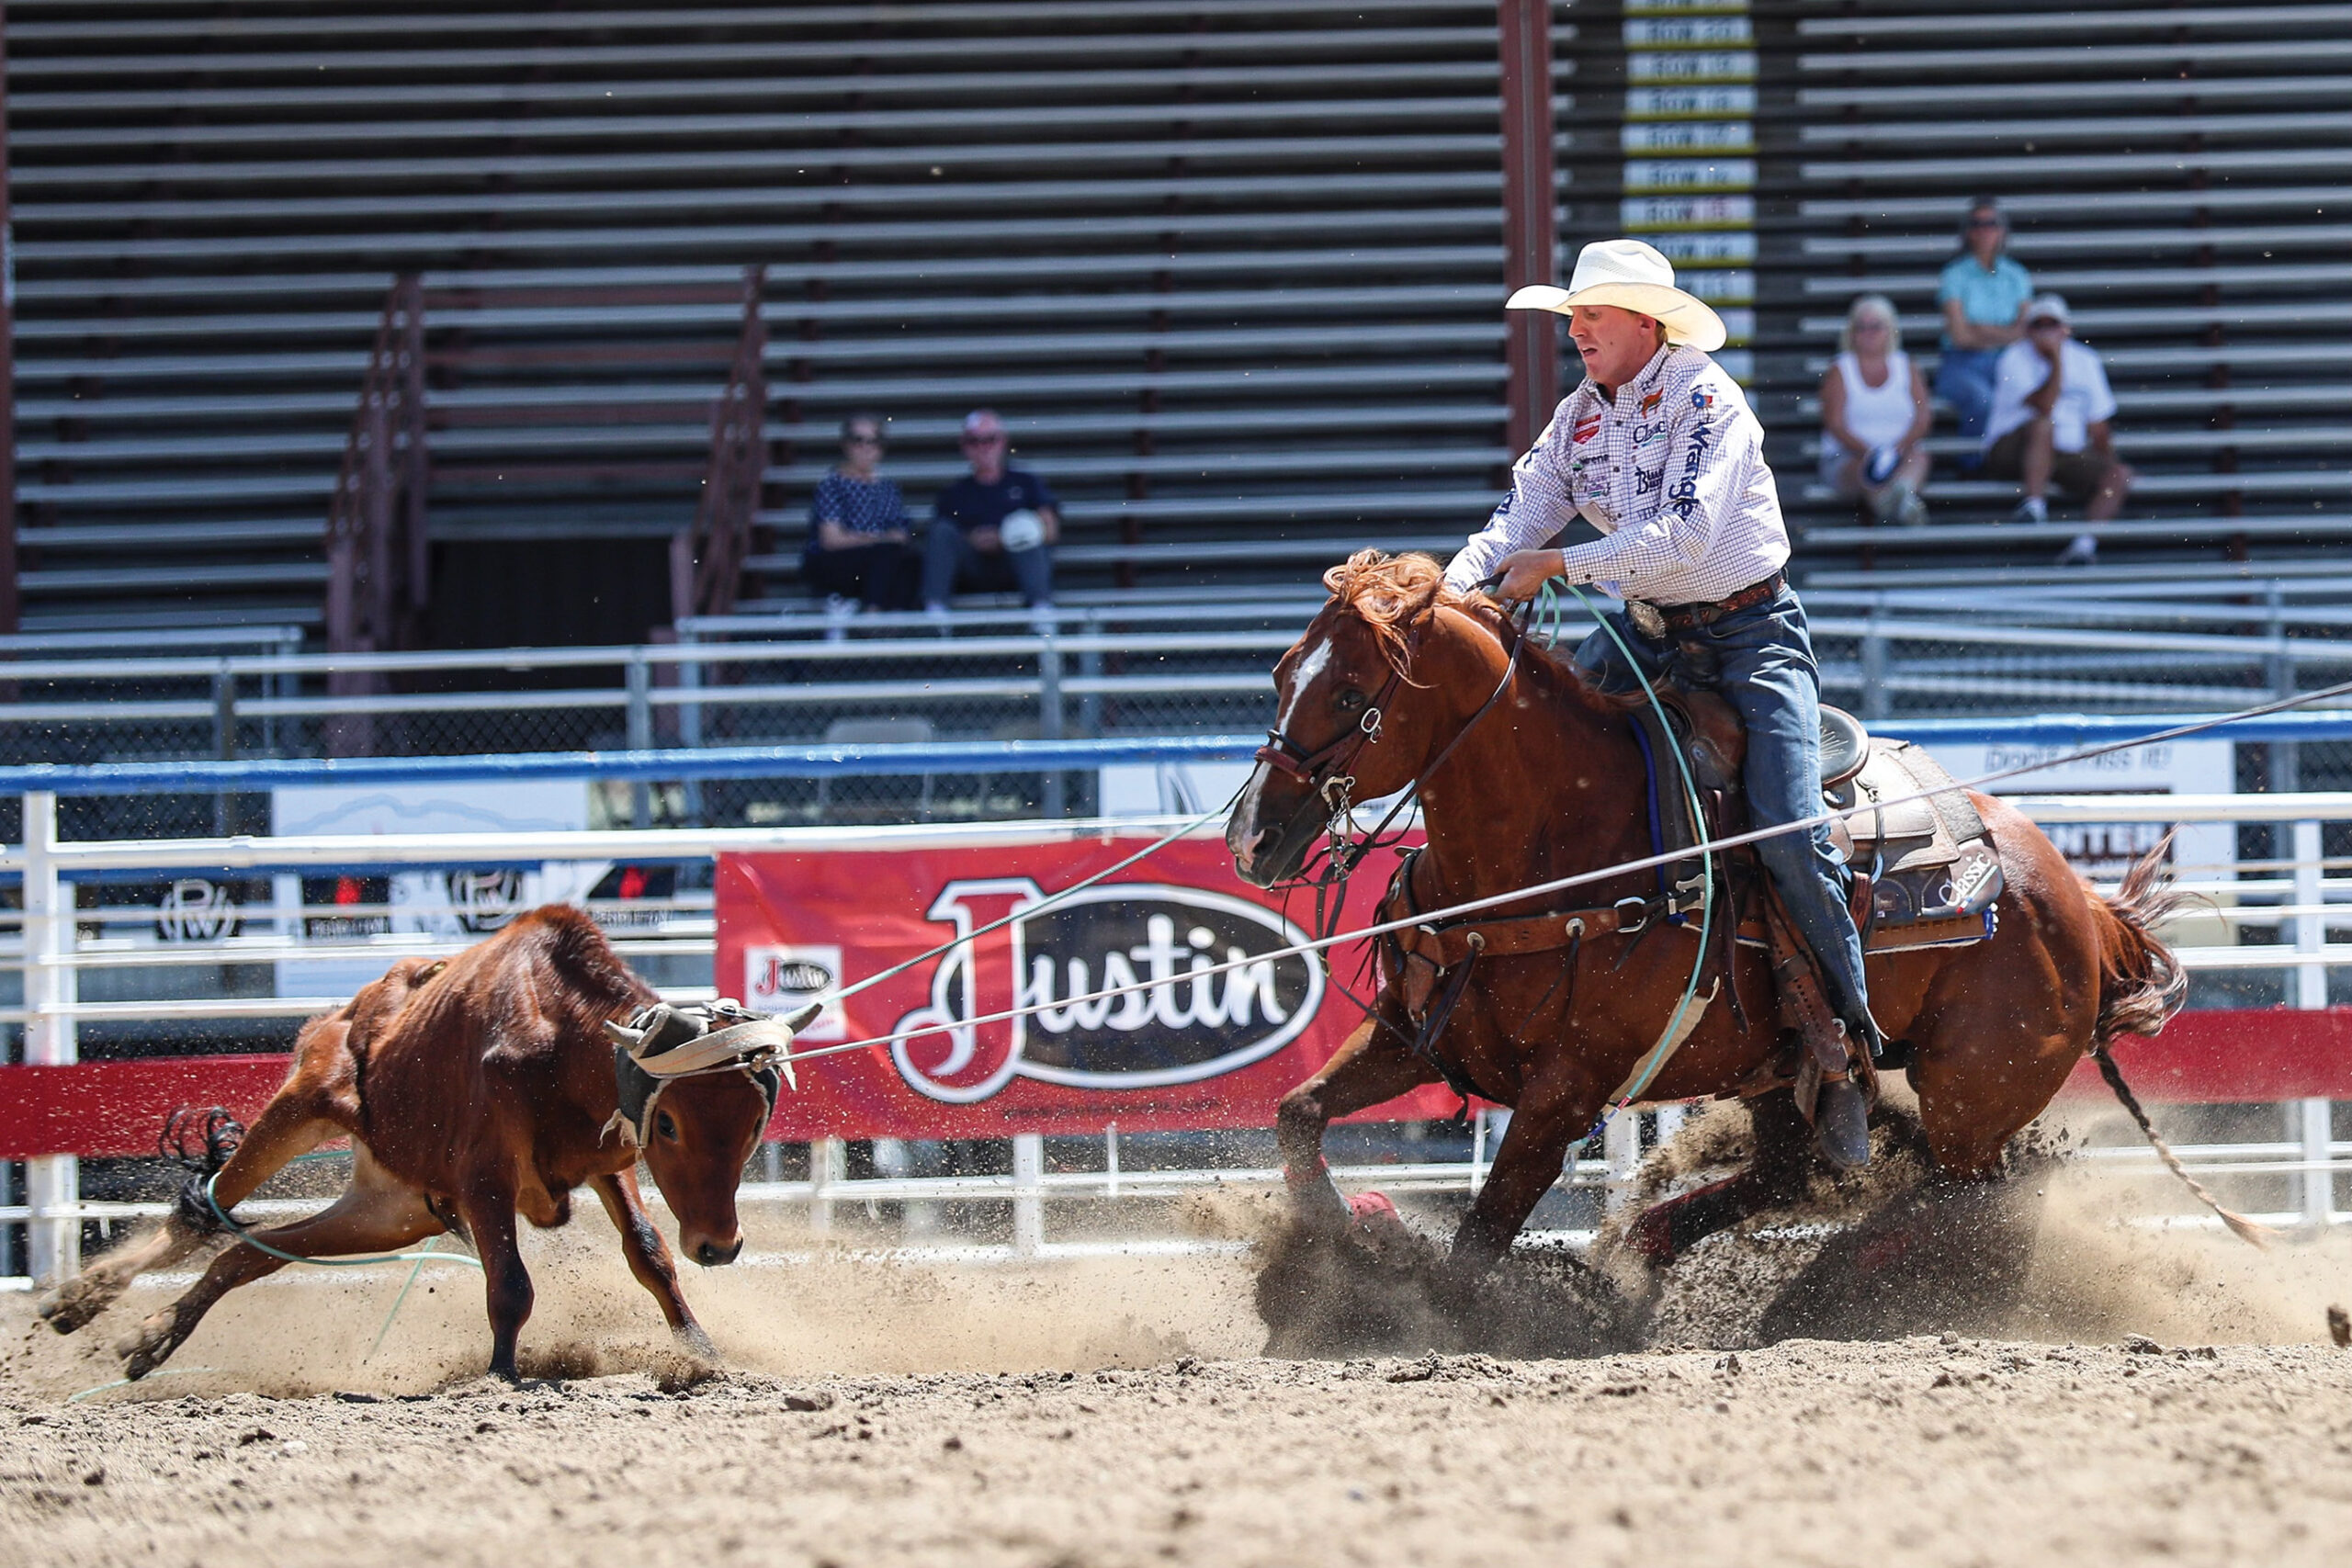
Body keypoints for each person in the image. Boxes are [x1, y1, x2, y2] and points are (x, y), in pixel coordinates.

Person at [1444, 238, 1877, 1169]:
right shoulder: (1579, 418)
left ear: (1644, 321)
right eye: (1571, 316)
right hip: (1646, 632)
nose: (1574, 330)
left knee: (1790, 828)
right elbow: (1514, 521)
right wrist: (1438, 601)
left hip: (1748, 636)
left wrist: (1561, 564)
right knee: (1549, 776)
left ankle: (1845, 1051)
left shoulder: (1709, 402)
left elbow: (1683, 538)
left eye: (1589, 315)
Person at [1982, 293, 2134, 566]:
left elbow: (2098, 425)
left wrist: (2107, 463)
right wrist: (2056, 361)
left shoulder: (2086, 360)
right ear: (2028, 330)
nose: (2045, 331)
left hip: (2066, 451)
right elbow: (2043, 406)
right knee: (2043, 426)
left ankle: (2084, 546)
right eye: (2039, 325)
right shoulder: (2013, 358)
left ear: (2066, 328)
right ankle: (2034, 504)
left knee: (2120, 474)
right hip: (2012, 447)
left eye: (2052, 324)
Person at [924, 409, 1057, 616]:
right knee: (941, 531)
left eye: (990, 440)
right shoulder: (954, 493)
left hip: (1016, 567)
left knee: (1026, 532)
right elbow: (941, 540)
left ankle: (1042, 615)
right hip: (972, 570)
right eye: (974, 441)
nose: (983, 447)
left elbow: (1050, 530)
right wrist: (973, 540)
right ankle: (935, 614)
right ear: (964, 446)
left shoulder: (1026, 483)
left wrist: (1006, 536)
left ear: (1003, 442)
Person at [1820, 294, 1932, 526]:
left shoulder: (1906, 366)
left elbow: (1923, 419)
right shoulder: (1840, 369)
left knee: (1919, 457)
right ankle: (1894, 503)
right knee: (1863, 469)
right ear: (1851, 332)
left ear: (1890, 330)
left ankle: (1900, 495)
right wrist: (1872, 453)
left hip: (1900, 453)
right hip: (1852, 455)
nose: (1868, 333)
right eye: (1861, 327)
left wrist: (1896, 449)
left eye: (1875, 327)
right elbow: (1835, 425)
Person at [1933, 197, 2034, 442]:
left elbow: (2026, 331)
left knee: (2031, 401)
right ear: (1967, 231)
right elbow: (1959, 336)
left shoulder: (2017, 275)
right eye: (1977, 224)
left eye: (1991, 223)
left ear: (2002, 231)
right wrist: (2006, 334)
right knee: (1982, 400)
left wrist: (1978, 329)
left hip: (2008, 362)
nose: (1984, 230)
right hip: (1961, 364)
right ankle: (1972, 466)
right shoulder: (1954, 274)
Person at [802, 412, 921, 613]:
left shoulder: (887, 488)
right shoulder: (832, 484)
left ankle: (896, 621)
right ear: (846, 444)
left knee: (910, 560)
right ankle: (872, 616)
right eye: (858, 441)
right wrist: (876, 539)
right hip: (837, 563)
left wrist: (886, 540)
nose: (866, 448)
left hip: (879, 564)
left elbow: (901, 533)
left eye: (873, 442)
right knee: (885, 554)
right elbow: (831, 539)